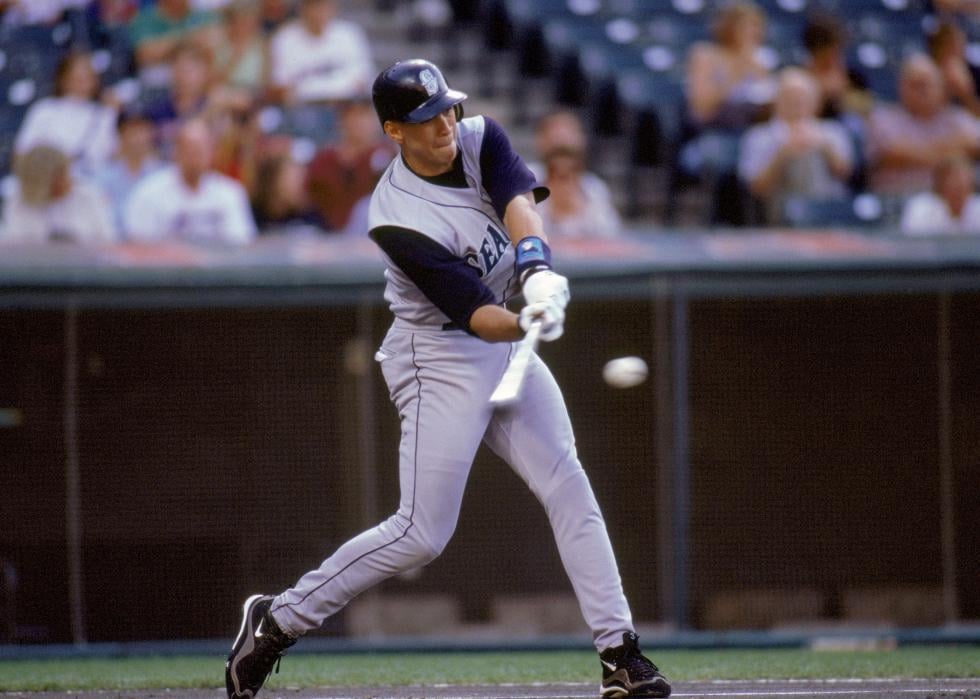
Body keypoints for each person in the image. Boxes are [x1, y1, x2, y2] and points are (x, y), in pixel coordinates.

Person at [224, 58, 672, 699]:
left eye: (446, 109)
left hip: (498, 340)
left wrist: (538, 270)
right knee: (420, 534)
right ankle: (279, 618)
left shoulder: (479, 136)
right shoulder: (394, 217)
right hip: (435, 355)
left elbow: (519, 204)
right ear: (393, 131)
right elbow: (479, 317)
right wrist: (527, 321)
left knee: (569, 485)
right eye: (425, 119)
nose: (443, 125)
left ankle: (620, 656)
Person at [738, 67, 854, 224]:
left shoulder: (832, 131)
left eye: (803, 97)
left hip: (831, 214)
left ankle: (816, 212)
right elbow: (755, 189)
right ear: (776, 100)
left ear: (816, 102)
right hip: (777, 216)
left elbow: (847, 175)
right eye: (790, 97)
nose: (797, 102)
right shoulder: (758, 136)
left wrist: (824, 147)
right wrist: (782, 154)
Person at [123, 117, 257, 245]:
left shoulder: (230, 192)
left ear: (212, 152)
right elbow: (138, 245)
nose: (195, 156)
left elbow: (241, 242)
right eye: (190, 149)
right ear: (176, 151)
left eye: (201, 149)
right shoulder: (149, 192)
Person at [866, 54, 980, 199]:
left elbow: (974, 146)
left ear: (941, 87)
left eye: (926, 84)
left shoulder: (957, 117)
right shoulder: (883, 118)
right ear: (901, 87)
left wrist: (916, 152)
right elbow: (892, 153)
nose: (921, 91)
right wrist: (952, 151)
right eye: (914, 85)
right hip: (896, 203)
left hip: (947, 205)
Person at [13, 52, 119, 177]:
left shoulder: (105, 114)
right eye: (78, 77)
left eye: (88, 77)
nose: (83, 83)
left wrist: (114, 112)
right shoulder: (45, 109)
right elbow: (21, 154)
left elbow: (113, 157)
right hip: (48, 184)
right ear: (63, 78)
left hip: (91, 186)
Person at [305, 97, 396, 232]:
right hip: (325, 236)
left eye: (365, 115)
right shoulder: (323, 160)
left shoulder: (389, 156)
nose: (360, 123)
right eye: (353, 115)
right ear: (342, 119)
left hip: (372, 236)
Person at [528, 110, 621, 239]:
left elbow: (610, 237)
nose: (562, 141)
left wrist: (576, 207)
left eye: (568, 137)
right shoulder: (524, 180)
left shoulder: (594, 189)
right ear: (540, 142)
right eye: (556, 138)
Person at [0, 144, 116, 244]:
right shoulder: (17, 201)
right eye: (59, 176)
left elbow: (108, 239)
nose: (67, 179)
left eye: (65, 172)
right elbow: (13, 244)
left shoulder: (89, 196)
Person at [268, 0, 374, 104]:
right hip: (304, 107)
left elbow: (363, 79)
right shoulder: (284, 38)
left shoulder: (350, 33)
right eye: (314, 6)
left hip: (345, 105)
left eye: (323, 5)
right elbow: (280, 87)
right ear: (303, 9)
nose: (319, 12)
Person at [94, 105, 164, 233]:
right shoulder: (102, 177)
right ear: (120, 135)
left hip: (155, 245)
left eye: (143, 131)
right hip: (114, 243)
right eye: (132, 132)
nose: (138, 139)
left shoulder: (162, 175)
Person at [900, 153, 980, 234]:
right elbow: (912, 243)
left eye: (963, 186)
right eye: (953, 185)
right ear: (940, 185)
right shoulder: (921, 209)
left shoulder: (978, 208)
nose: (958, 192)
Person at [927, 19, 980, 117]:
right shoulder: (924, 72)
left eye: (961, 43)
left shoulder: (973, 70)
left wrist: (966, 95)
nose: (961, 48)